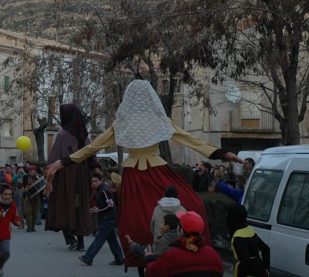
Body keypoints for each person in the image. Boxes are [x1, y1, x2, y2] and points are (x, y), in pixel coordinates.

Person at [45, 80, 244, 273]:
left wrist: (62, 163)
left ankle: (165, 256)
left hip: (136, 175)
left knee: (136, 222)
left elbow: (92, 148)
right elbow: (190, 140)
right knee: (191, 206)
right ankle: (165, 257)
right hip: (157, 172)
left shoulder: (129, 123)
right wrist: (223, 153)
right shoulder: (144, 122)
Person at [45, 103, 100, 252]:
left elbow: (53, 160)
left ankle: (70, 239)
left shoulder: (62, 134)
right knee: (79, 206)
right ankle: (80, 242)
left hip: (65, 174)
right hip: (81, 176)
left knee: (62, 206)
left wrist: (49, 181)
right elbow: (92, 156)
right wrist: (98, 172)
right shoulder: (83, 134)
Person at [145, 211, 224, 277]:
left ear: (181, 231)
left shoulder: (170, 256)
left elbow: (152, 273)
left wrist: (149, 259)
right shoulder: (214, 256)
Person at [78, 173, 124, 266]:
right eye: (93, 181)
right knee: (112, 240)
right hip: (107, 217)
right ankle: (119, 258)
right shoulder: (100, 190)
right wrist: (96, 209)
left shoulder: (104, 190)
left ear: (101, 181)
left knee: (99, 238)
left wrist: (98, 210)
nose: (94, 183)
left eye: (96, 181)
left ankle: (88, 257)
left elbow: (110, 205)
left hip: (108, 218)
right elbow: (104, 204)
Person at [226, 202, 270, 277]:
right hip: (260, 270)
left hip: (249, 273)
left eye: (228, 214)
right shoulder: (249, 229)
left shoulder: (237, 236)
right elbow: (266, 249)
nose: (226, 216)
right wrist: (266, 268)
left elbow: (245, 261)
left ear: (232, 218)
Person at [0, 184, 23, 276]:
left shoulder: (12, 205)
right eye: (5, 194)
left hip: (5, 234)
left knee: (6, 253)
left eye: (10, 194)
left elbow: (14, 217)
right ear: (1, 194)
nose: (8, 197)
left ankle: (0, 267)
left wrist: (18, 222)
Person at [22, 165, 42, 232]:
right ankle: (29, 226)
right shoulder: (25, 177)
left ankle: (33, 226)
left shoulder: (38, 178)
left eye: (32, 170)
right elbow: (21, 185)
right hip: (27, 197)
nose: (31, 171)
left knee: (35, 212)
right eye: (29, 170)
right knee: (28, 211)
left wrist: (38, 179)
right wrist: (19, 184)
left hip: (36, 197)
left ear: (35, 170)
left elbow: (42, 187)